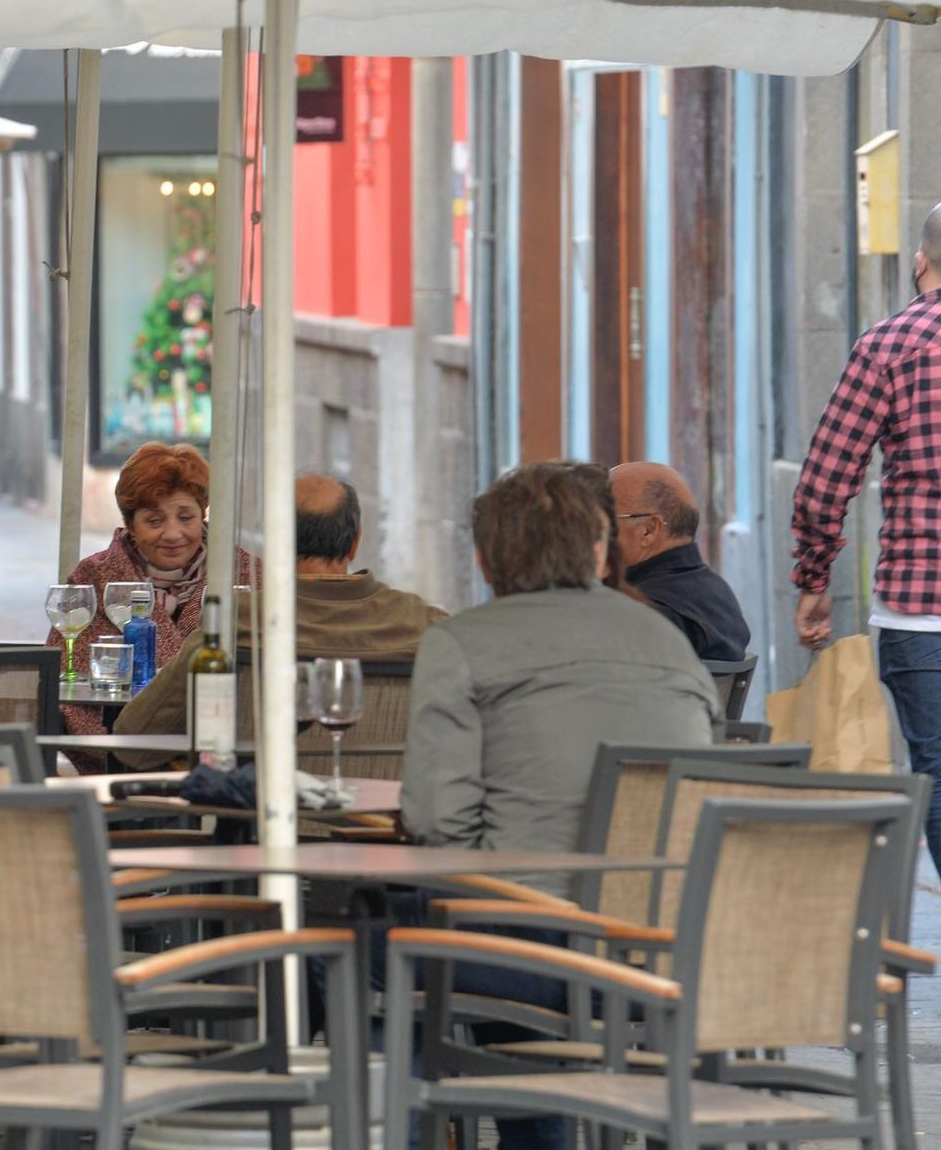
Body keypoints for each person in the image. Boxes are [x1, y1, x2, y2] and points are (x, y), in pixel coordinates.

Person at [400, 461, 719, 1150]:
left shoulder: (460, 643)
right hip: (665, 952)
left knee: (354, 955)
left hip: (533, 955)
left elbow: (438, 827)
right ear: (601, 549)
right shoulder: (673, 645)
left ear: (486, 558)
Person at [794, 200, 941, 879]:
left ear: (921, 262)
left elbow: (826, 478)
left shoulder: (889, 343)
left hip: (921, 608)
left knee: (936, 764)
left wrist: (813, 579)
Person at [113, 475, 447, 754]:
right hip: (387, 824)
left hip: (259, 825)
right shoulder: (426, 625)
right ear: (355, 542)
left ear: (276, 540)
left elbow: (135, 737)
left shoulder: (239, 621)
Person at [50, 442, 260, 739]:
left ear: (203, 514)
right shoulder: (92, 578)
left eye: (186, 517)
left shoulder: (247, 574)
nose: (173, 534)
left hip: (226, 746)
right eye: (154, 520)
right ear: (130, 526)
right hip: (120, 753)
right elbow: (64, 691)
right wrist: (122, 750)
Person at [609, 461, 750, 661]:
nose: (594, 534)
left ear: (649, 530)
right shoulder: (717, 591)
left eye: (605, 520)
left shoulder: (644, 612)